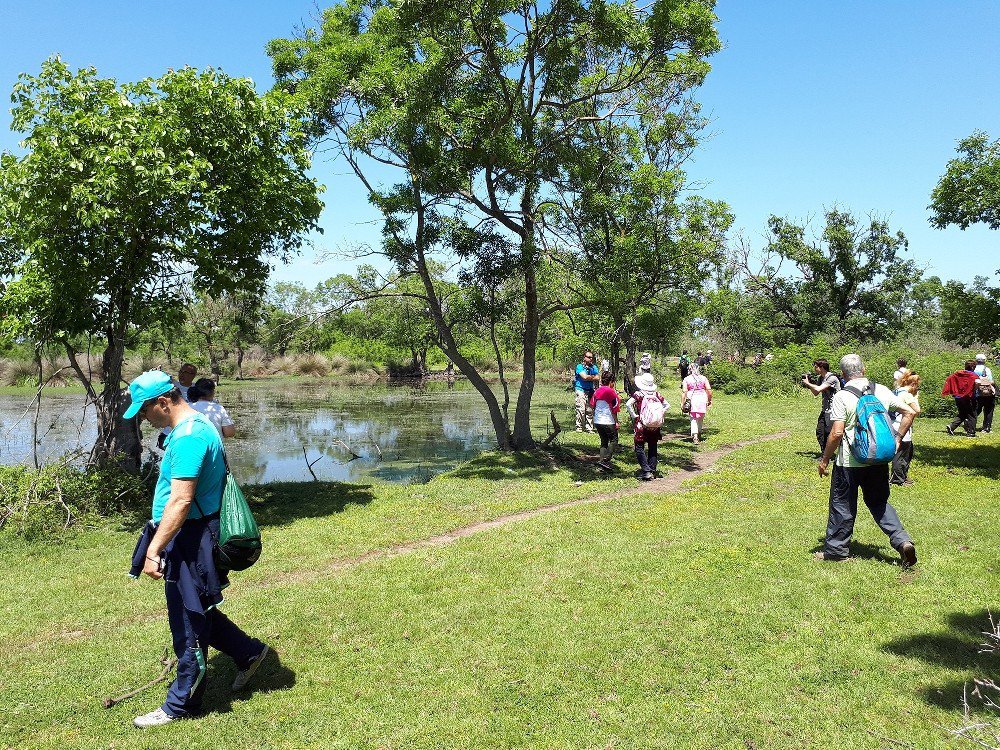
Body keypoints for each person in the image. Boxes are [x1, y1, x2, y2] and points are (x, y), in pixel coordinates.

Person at [124, 371, 270, 728]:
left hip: (190, 537)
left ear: (163, 401)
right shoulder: (195, 427)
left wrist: (154, 550)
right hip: (188, 533)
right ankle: (249, 652)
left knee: (188, 620)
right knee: (198, 607)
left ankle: (181, 704)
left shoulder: (190, 436)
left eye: (144, 410)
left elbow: (181, 500)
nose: (143, 418)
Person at [817, 353, 918, 567]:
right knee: (879, 502)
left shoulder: (842, 396)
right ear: (863, 370)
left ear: (843, 375)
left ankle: (836, 551)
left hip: (849, 463)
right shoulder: (881, 390)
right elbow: (909, 412)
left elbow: (836, 433)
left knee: (842, 504)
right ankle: (902, 541)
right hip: (878, 459)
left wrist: (825, 459)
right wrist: (897, 439)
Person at [625, 371, 667, 481]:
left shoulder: (639, 394)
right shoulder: (656, 394)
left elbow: (628, 404)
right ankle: (652, 469)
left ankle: (646, 471)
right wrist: (660, 413)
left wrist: (634, 415)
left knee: (639, 447)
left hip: (641, 424)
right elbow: (667, 405)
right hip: (655, 425)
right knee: (653, 446)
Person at [801, 359, 842, 453]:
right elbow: (816, 392)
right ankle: (824, 454)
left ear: (822, 367)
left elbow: (819, 388)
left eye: (816, 367)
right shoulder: (821, 378)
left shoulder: (832, 378)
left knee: (829, 432)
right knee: (820, 432)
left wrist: (808, 383)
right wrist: (809, 384)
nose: (814, 369)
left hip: (834, 409)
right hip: (825, 409)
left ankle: (833, 453)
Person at [890, 371, 921, 486]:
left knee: (907, 451)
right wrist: (916, 398)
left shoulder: (895, 392)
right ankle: (897, 478)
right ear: (913, 384)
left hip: (892, 424)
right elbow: (916, 410)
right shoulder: (907, 395)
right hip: (902, 425)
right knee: (902, 454)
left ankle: (903, 476)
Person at [158, 363, 199, 449]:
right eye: (181, 371)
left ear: (193, 375)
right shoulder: (172, 386)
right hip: (169, 431)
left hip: (189, 430)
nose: (182, 374)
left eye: (185, 372)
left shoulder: (198, 389)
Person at [589, 371, 620, 469]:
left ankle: (601, 462)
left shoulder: (597, 391)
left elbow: (592, 404)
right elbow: (614, 409)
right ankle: (607, 458)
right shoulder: (611, 392)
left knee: (604, 441)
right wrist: (616, 421)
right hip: (608, 420)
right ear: (611, 381)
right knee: (614, 440)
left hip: (597, 421)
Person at [942, 359, 981, 437]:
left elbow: (949, 379)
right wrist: (974, 389)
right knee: (972, 414)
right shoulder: (973, 375)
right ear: (973, 367)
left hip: (958, 397)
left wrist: (954, 389)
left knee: (963, 413)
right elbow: (978, 382)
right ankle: (971, 433)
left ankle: (951, 426)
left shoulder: (958, 373)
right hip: (968, 397)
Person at [681, 363, 712, 444]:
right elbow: (709, 389)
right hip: (702, 397)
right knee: (701, 416)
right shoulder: (703, 378)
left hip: (692, 398)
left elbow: (684, 392)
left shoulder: (687, 379)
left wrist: (682, 403)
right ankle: (699, 432)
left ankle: (695, 436)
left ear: (690, 369)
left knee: (693, 417)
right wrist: (709, 400)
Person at [574, 350, 600, 433]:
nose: (591, 359)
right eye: (589, 357)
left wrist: (590, 377)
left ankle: (589, 428)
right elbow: (584, 377)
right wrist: (593, 377)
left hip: (590, 390)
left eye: (591, 357)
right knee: (581, 409)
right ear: (584, 358)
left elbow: (598, 377)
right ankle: (579, 427)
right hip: (580, 389)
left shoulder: (594, 367)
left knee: (590, 410)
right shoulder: (579, 366)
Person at [974, 353, 995, 434]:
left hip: (977, 393)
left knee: (976, 410)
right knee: (989, 410)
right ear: (984, 361)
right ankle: (986, 428)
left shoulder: (974, 369)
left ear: (976, 361)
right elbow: (990, 381)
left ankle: (969, 423)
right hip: (987, 393)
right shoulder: (987, 369)